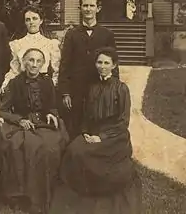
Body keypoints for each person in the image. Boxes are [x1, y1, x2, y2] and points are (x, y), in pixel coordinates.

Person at [57, 47, 141, 214]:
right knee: (74, 150)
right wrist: (86, 132)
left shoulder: (121, 88)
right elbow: (87, 116)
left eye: (106, 63)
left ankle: (99, 190)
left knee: (92, 155)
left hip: (114, 134)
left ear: (114, 65)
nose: (102, 66)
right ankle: (80, 191)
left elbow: (123, 121)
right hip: (92, 132)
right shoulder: (92, 87)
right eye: (99, 62)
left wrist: (101, 137)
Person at [0, 48, 68, 214]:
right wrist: (19, 120)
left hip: (44, 124)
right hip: (23, 124)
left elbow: (52, 105)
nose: (34, 64)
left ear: (43, 64)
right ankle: (26, 196)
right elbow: (3, 110)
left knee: (51, 148)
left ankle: (47, 194)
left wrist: (52, 114)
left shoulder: (47, 82)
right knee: (26, 147)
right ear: (24, 63)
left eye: (38, 61)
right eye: (30, 60)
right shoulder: (15, 83)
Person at [58, 0, 118, 139]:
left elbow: (113, 64)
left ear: (98, 8)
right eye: (85, 5)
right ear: (80, 8)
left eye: (92, 5)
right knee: (75, 126)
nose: (88, 9)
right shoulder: (71, 34)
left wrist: (114, 89)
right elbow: (65, 64)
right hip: (76, 90)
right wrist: (65, 92)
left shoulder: (107, 34)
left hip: (99, 88)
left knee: (97, 124)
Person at [1, 5, 61, 92]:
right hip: (22, 87)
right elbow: (14, 70)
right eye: (28, 20)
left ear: (41, 21)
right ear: (25, 23)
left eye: (34, 18)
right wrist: (6, 83)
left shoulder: (50, 44)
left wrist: (51, 86)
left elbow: (56, 70)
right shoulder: (17, 44)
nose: (31, 22)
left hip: (43, 87)